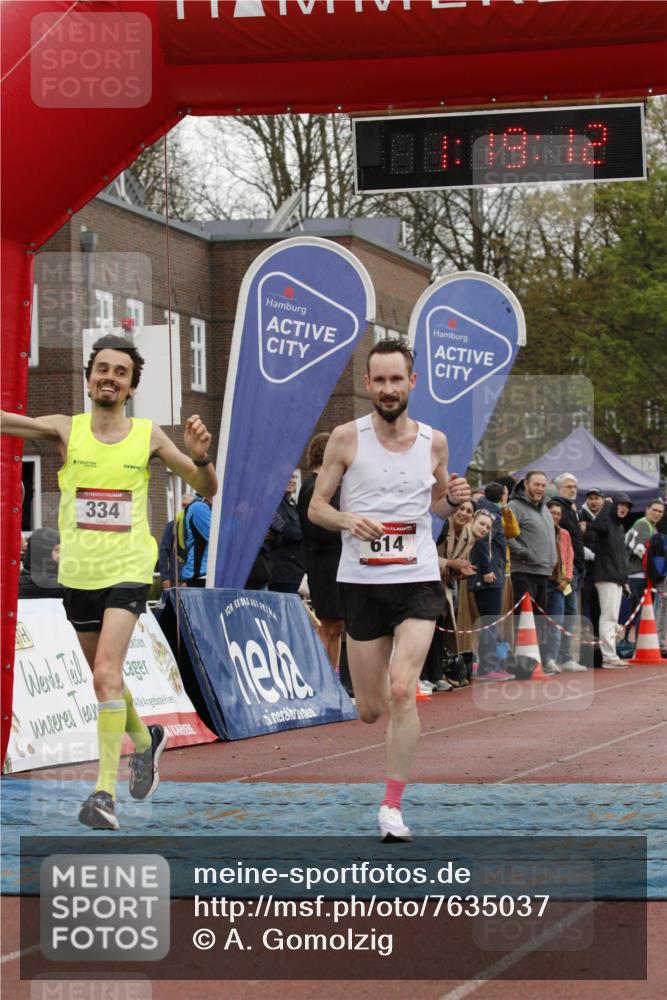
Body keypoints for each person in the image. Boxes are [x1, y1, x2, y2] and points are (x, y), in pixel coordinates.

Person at [0, 334, 218, 830]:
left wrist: (201, 458)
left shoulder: (148, 436)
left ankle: (103, 793)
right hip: (79, 574)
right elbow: (7, 421)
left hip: (128, 571)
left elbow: (206, 488)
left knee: (104, 674)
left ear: (130, 386)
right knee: (107, 679)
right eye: (103, 368)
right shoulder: (64, 429)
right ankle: (146, 742)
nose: (109, 377)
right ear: (89, 376)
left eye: (120, 372)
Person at [308, 339, 470, 842]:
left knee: (405, 689)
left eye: (396, 379)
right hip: (362, 584)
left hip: (417, 579)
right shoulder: (344, 439)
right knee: (371, 707)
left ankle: (392, 807)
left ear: (411, 383)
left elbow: (440, 506)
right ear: (368, 385)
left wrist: (456, 499)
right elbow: (316, 507)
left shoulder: (434, 442)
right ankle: (373, 713)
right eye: (379, 380)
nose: (388, 389)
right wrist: (346, 519)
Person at [297, 432, 344, 670]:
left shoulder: (325, 486)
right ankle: (323, 679)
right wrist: (348, 528)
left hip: (335, 564)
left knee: (336, 626)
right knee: (327, 626)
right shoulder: (313, 488)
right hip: (324, 565)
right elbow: (318, 530)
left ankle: (333, 680)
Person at [507, 471, 557, 663]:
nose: (540, 489)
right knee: (524, 620)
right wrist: (525, 553)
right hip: (524, 572)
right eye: (536, 485)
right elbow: (508, 535)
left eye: (543, 485)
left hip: (544, 573)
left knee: (540, 621)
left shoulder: (545, 508)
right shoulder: (514, 506)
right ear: (525, 484)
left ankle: (536, 660)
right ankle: (522, 662)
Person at [466, 508, 512, 681]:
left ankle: (490, 664)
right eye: (482, 524)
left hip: (490, 583)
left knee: (491, 624)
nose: (484, 529)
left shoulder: (483, 541)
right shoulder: (478, 542)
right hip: (486, 585)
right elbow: (481, 556)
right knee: (489, 624)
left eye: (488, 527)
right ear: (472, 521)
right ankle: (487, 667)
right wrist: (487, 571)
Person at [549, 473, 587, 670]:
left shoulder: (571, 510)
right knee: (561, 615)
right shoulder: (558, 507)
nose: (573, 489)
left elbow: (571, 543)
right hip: (561, 574)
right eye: (569, 486)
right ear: (558, 488)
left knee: (571, 615)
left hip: (573, 570)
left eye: (575, 486)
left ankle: (565, 656)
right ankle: (556, 657)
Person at [592, 493, 632, 669]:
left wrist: (624, 580)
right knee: (608, 617)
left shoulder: (619, 527)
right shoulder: (606, 522)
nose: (624, 508)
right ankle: (609, 656)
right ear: (614, 505)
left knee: (612, 618)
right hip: (605, 576)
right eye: (621, 504)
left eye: (627, 506)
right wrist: (606, 506)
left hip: (616, 578)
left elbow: (622, 557)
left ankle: (610, 655)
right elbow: (596, 525)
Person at [269, 472, 305, 594]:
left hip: (295, 570)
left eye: (293, 477)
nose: (291, 480)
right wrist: (305, 531)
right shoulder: (272, 504)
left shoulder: (293, 505)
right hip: (281, 573)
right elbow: (285, 530)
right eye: (286, 476)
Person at [158, 494, 194, 590]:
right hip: (178, 579)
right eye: (184, 505)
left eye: (189, 505)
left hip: (197, 578)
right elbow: (163, 551)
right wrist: (165, 576)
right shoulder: (173, 526)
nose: (186, 508)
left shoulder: (200, 524)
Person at [179, 494, 213, 587]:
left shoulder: (207, 507)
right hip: (201, 573)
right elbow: (216, 539)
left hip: (206, 572)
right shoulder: (199, 507)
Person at [18, 527, 62, 599]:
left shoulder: (16, 580)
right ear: (42, 553)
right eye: (57, 550)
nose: (61, 555)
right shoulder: (56, 585)